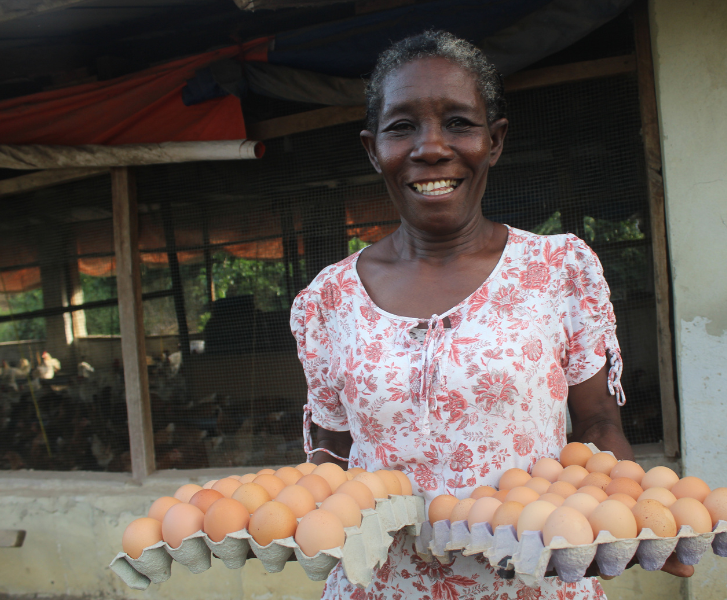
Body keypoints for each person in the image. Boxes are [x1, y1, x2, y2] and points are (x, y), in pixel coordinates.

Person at [290, 30, 692, 600]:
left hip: (535, 584)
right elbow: (330, 451)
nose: (430, 147)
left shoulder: (558, 271)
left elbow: (599, 424)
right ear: (371, 149)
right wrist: (289, 519)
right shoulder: (327, 301)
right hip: (381, 586)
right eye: (402, 126)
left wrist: (634, 517)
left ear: (495, 140)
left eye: (458, 122)